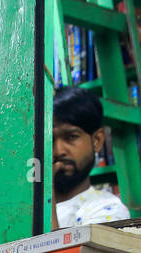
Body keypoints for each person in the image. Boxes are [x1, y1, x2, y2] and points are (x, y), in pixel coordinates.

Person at [52, 86, 130, 228]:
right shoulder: (22, 209)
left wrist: (45, 196)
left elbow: (51, 250)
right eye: (49, 141)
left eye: (71, 137)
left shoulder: (108, 210)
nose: (58, 151)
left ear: (97, 141)